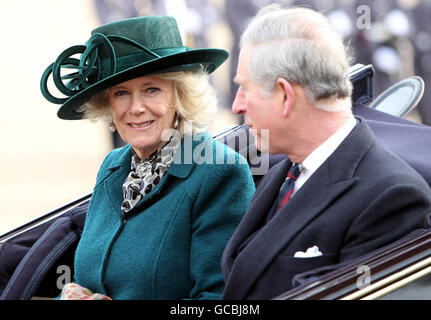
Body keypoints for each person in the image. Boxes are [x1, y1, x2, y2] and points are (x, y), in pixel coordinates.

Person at [221, 5, 431, 300]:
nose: (237, 105)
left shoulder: (390, 197)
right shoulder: (286, 171)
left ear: (285, 96)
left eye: (245, 89)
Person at [40, 15, 255, 300]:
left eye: (152, 89)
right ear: (108, 105)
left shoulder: (220, 172)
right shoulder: (114, 166)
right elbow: (87, 282)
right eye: (121, 93)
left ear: (180, 95)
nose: (136, 107)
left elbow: (220, 301)